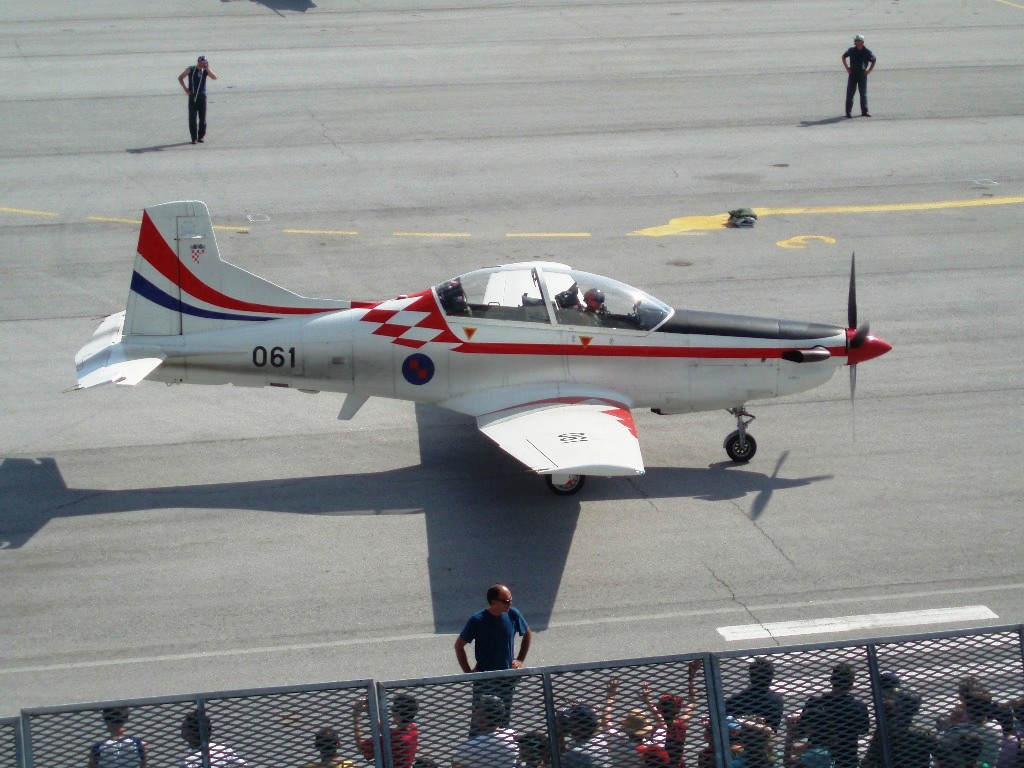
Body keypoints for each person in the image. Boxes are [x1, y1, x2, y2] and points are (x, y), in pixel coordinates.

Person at [455, 583, 532, 733]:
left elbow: (527, 634)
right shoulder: (478, 620)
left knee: (502, 721)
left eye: (510, 600)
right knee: (480, 721)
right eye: (506, 601)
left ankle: (499, 749)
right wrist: (468, 672)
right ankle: (478, 748)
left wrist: (520, 659)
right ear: (493, 602)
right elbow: (459, 645)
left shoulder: (513, 614)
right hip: (485, 680)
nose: (510, 603)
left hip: (506, 679)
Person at [800, 662, 870, 768]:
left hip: (817, 760)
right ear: (851, 684)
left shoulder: (814, 703)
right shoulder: (859, 707)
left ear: (831, 680)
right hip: (847, 760)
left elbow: (802, 730)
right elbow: (863, 730)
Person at [451, 695, 519, 768]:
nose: (475, 713)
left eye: (478, 711)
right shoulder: (511, 734)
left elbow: (455, 763)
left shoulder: (469, 747)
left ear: (483, 716)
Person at [353, 694, 419, 768]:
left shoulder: (395, 739)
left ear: (398, 714)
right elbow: (386, 732)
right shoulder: (413, 729)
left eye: (393, 709)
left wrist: (356, 717)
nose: (391, 711)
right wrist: (370, 711)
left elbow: (362, 748)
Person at [727, 657, 786, 733]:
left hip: (740, 741)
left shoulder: (735, 700)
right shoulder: (777, 700)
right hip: (765, 742)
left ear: (751, 676)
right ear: (771, 677)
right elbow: (774, 728)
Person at [180, 710, 247, 768]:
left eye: (183, 729)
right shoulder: (223, 749)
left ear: (191, 733)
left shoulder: (187, 761)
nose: (181, 733)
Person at [177, 55, 219, 144]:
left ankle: (201, 136)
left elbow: (215, 77)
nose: (203, 64)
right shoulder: (191, 69)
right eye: (202, 62)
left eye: (205, 63)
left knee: (202, 118)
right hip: (192, 96)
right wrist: (185, 89)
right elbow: (180, 77)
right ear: (198, 62)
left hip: (202, 96)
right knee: (192, 118)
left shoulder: (205, 71)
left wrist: (208, 68)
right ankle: (193, 138)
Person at [841, 35, 876, 118]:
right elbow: (843, 57)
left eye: (857, 40)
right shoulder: (851, 50)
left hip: (862, 75)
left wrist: (869, 70)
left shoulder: (867, 52)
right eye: (855, 40)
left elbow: (874, 59)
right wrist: (847, 68)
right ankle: (848, 112)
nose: (856, 42)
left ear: (862, 42)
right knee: (850, 94)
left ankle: (865, 111)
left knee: (863, 94)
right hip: (852, 74)